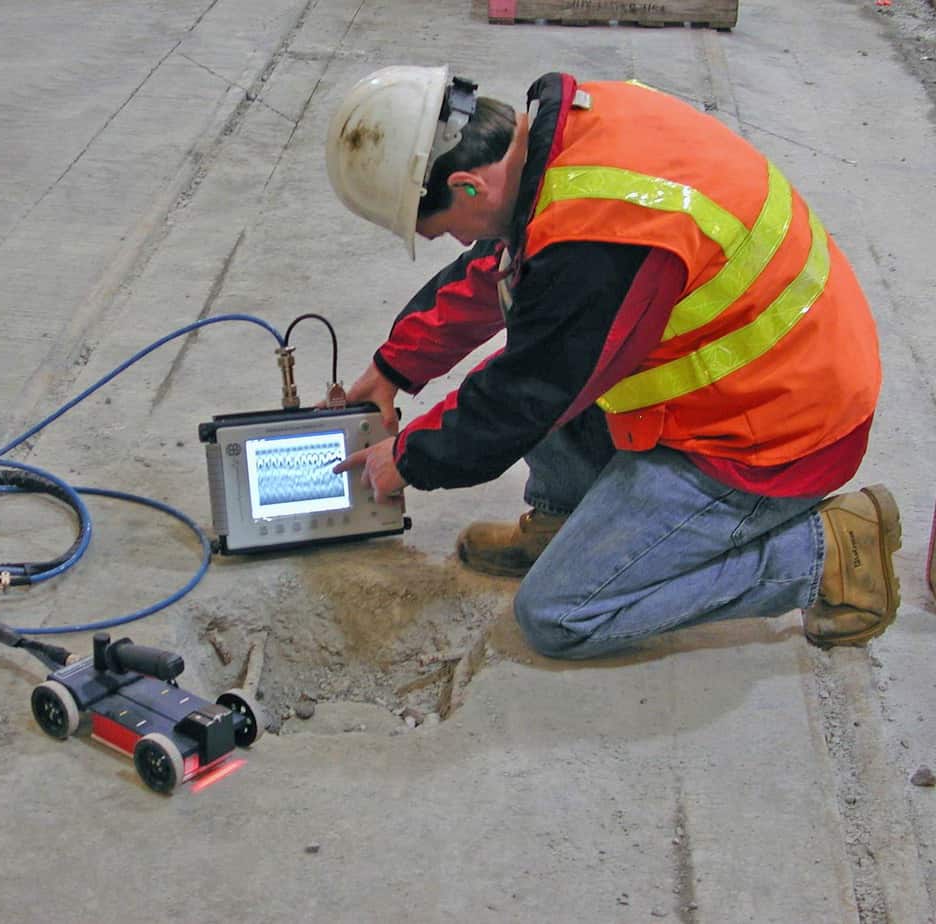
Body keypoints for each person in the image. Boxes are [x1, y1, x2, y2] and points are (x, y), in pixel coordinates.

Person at [326, 66, 901, 659]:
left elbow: (530, 391)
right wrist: (392, 369)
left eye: (443, 227)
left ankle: (826, 552)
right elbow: (506, 268)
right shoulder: (564, 143)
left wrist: (408, 457)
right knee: (543, 332)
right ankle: (566, 519)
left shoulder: (603, 239)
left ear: (469, 185)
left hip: (775, 433)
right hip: (772, 368)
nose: (455, 242)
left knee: (558, 615)